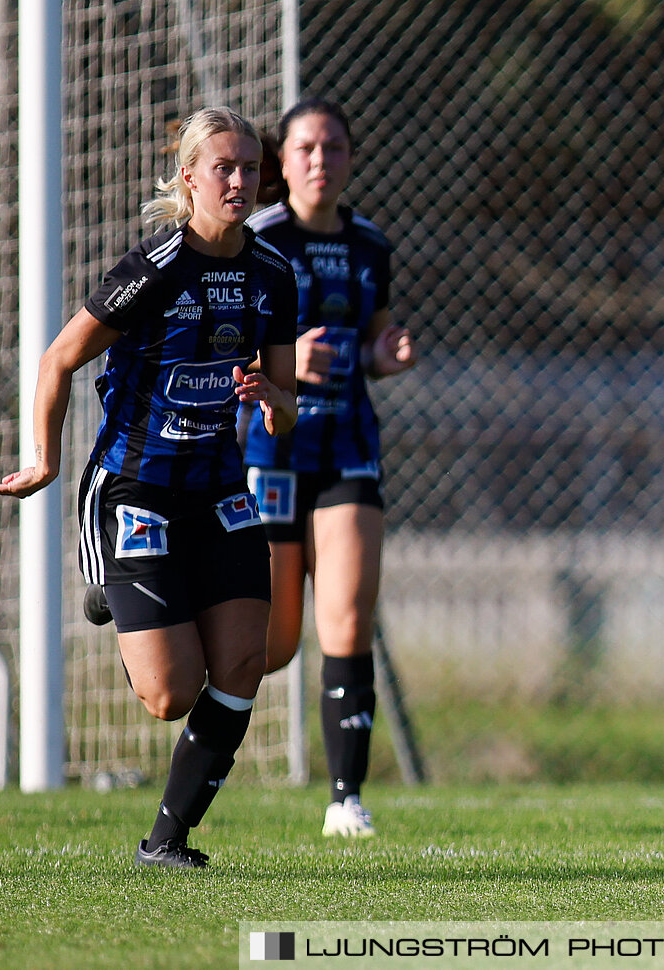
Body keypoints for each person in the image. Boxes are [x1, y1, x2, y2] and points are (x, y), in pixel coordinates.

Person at [0, 107, 298, 869]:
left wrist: (272, 400)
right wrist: (47, 461)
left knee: (246, 664)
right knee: (169, 695)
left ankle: (167, 840)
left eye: (249, 168)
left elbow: (286, 413)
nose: (238, 180)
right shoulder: (153, 270)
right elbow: (59, 360)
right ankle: (111, 591)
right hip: (136, 489)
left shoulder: (273, 274)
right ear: (189, 180)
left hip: (220, 487)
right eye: (223, 167)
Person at [244, 98, 416, 839]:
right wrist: (275, 362)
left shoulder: (370, 245)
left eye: (335, 148)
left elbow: (376, 337)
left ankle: (346, 799)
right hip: (269, 450)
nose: (321, 161)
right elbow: (218, 346)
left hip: (347, 449)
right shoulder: (255, 240)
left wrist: (385, 355)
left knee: (346, 617)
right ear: (282, 163)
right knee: (274, 644)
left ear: (350, 160)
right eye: (307, 148)